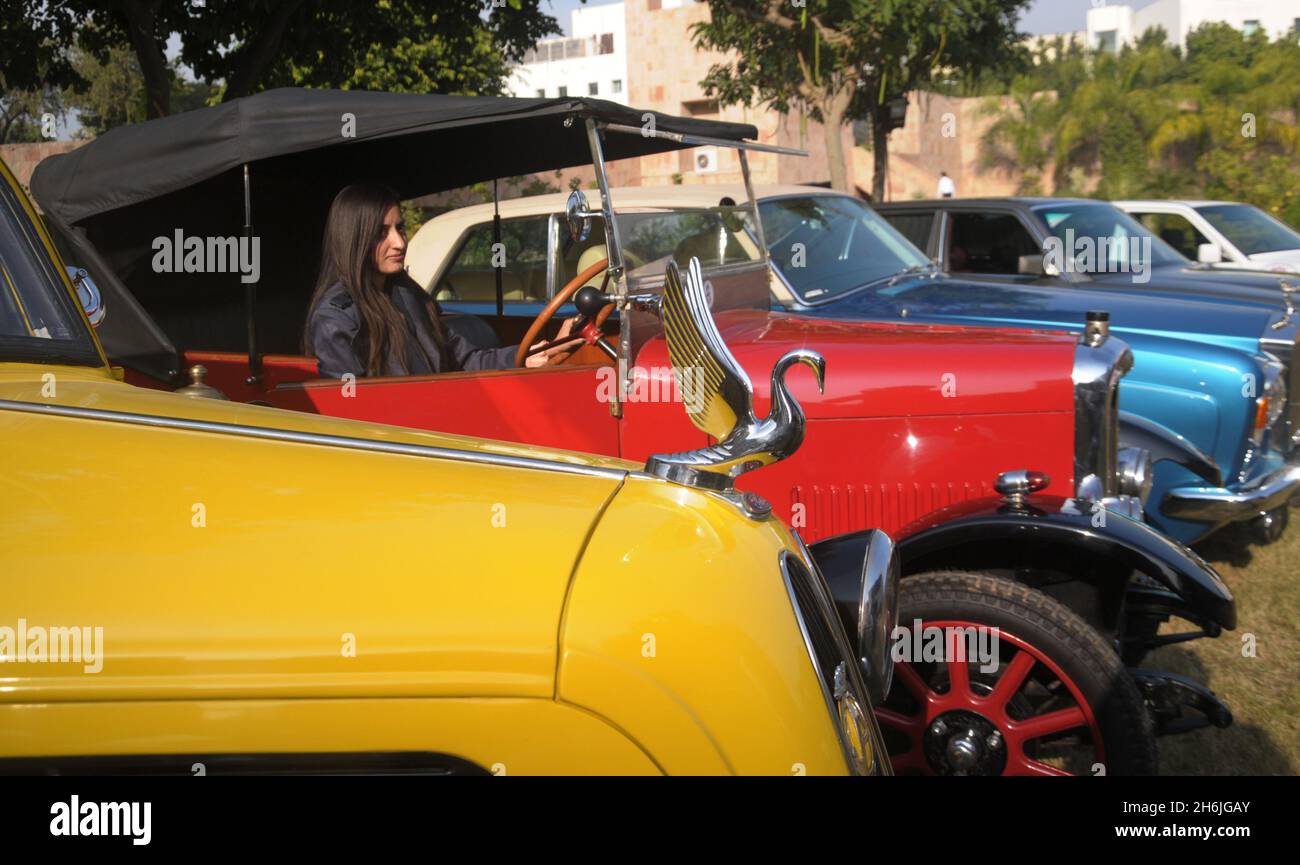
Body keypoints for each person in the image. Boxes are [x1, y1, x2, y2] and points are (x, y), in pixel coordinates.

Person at [305, 184, 580, 378]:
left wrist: (529, 354)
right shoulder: (336, 318)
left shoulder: (409, 296)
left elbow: (463, 360)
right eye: (381, 232)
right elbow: (347, 413)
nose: (399, 242)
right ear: (355, 239)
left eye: (399, 228)